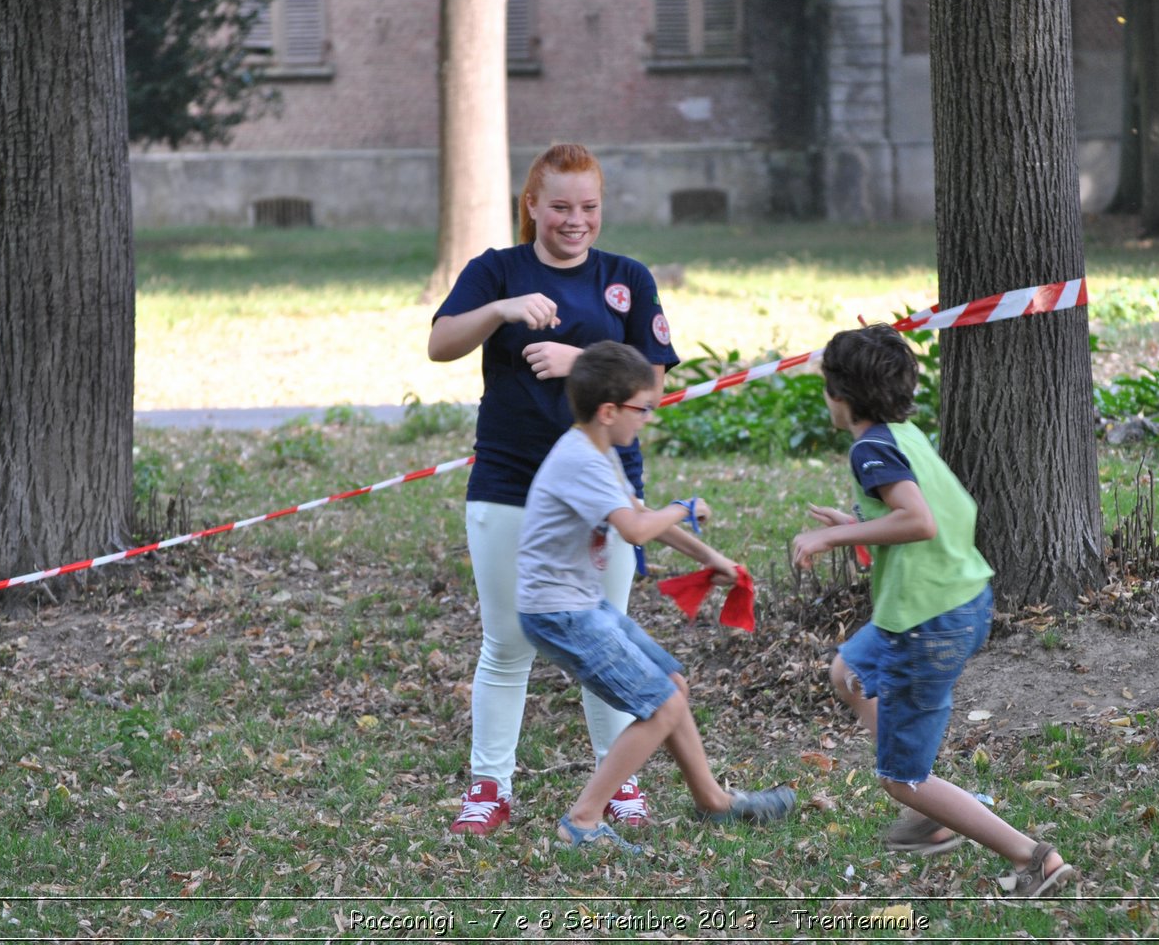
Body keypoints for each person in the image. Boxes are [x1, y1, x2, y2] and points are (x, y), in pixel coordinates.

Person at [428, 143, 679, 835]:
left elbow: (653, 385)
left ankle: (617, 780)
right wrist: (502, 310)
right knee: (507, 640)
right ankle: (489, 788)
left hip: (604, 489)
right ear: (532, 204)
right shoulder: (496, 271)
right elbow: (441, 343)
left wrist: (584, 363)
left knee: (605, 639)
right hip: (508, 483)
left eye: (589, 207)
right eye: (561, 206)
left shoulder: (625, 277)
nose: (576, 220)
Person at [790, 324, 1078, 898]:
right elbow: (942, 513)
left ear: (840, 394)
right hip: (953, 603)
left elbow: (917, 520)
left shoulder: (870, 447)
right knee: (847, 673)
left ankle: (1033, 858)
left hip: (928, 624)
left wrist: (831, 541)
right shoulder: (903, 435)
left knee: (900, 779)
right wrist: (857, 525)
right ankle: (930, 805)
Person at [517, 341, 796, 850]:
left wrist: (711, 559)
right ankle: (581, 820)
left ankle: (714, 801)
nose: (647, 417)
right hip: (559, 612)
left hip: (581, 604)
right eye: (643, 408)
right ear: (608, 411)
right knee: (661, 704)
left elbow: (642, 518)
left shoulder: (601, 453)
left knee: (670, 684)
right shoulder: (581, 459)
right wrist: (682, 507)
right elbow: (639, 529)